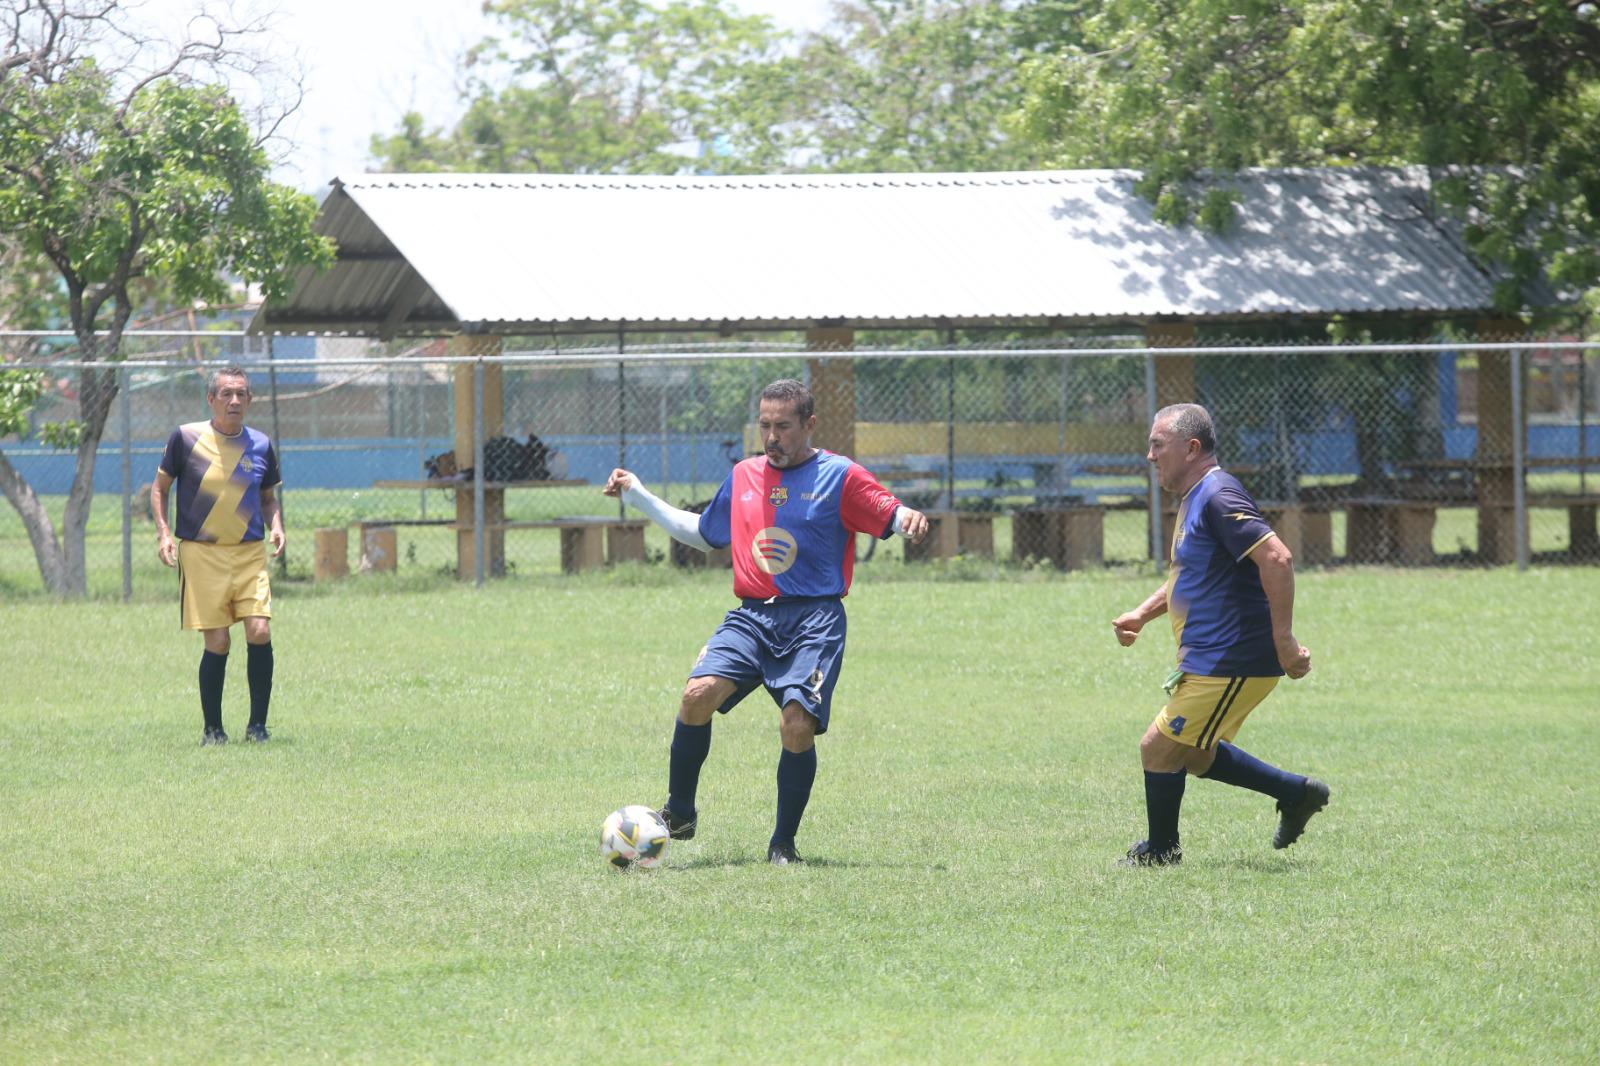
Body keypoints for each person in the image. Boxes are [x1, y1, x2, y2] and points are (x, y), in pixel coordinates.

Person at [603, 378, 929, 865]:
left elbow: (889, 509)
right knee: (696, 695)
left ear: (808, 424)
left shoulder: (840, 476)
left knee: (796, 724)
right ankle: (680, 812)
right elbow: (702, 532)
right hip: (754, 616)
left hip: (815, 619)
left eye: (782, 426)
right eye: (764, 425)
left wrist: (906, 517)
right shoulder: (744, 476)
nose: (771, 436)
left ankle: (782, 845)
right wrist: (640, 495)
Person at [1111, 403, 1329, 866]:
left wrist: (1285, 641)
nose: (1150, 455)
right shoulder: (1196, 497)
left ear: (1191, 448)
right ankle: (1297, 793)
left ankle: (1161, 852)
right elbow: (1192, 576)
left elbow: (1277, 558)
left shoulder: (1218, 495)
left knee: (1158, 747)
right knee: (1192, 754)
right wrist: (1142, 615)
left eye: (1157, 444)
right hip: (1213, 658)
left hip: (1233, 659)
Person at [150, 366, 285, 745]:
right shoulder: (186, 438)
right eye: (226, 394)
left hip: (248, 553)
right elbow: (160, 489)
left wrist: (277, 524)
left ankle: (258, 727)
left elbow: (268, 498)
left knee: (259, 631)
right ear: (211, 399)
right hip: (202, 555)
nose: (234, 401)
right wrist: (164, 533)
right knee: (219, 642)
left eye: (241, 394)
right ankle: (213, 730)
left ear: (250, 400)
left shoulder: (260, 444)